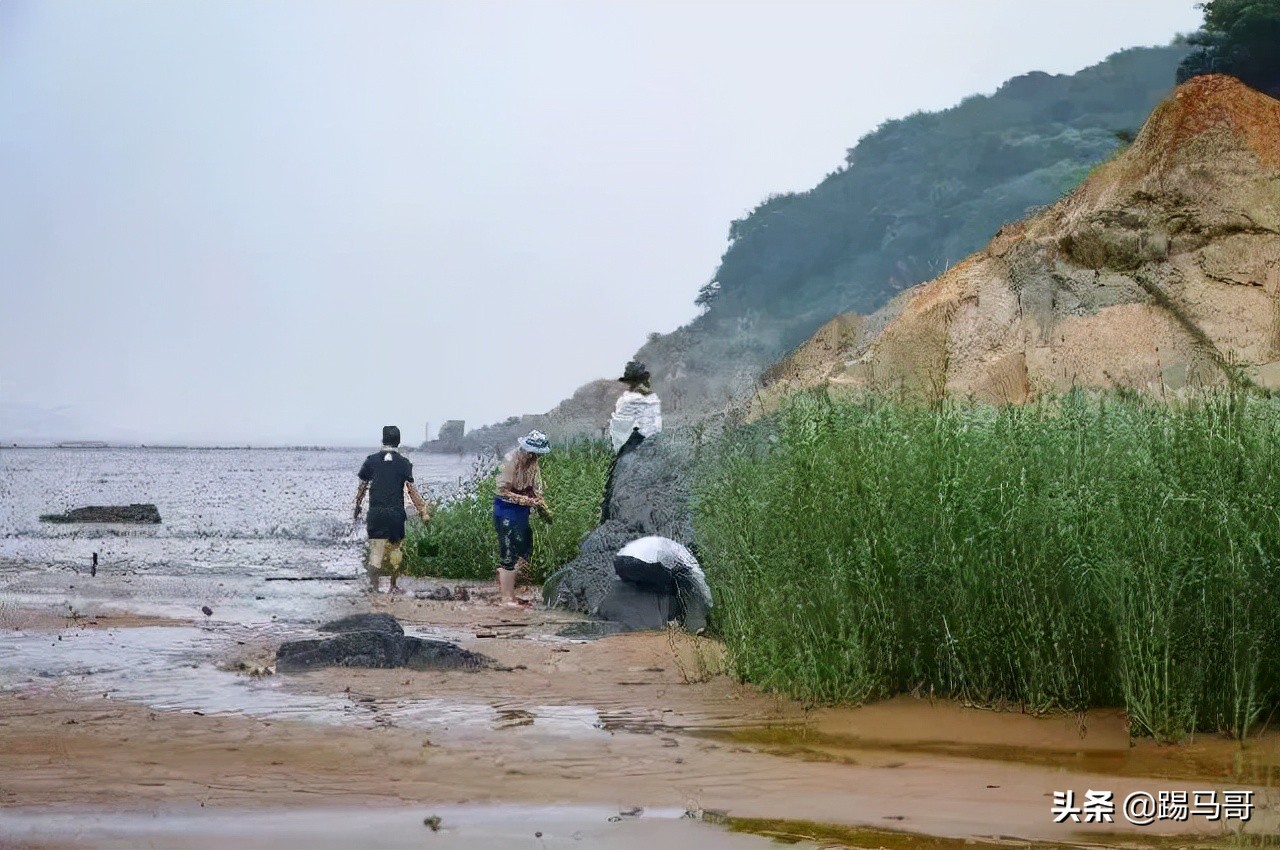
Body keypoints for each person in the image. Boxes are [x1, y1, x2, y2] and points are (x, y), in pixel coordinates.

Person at [353, 425, 430, 593]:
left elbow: (362, 488)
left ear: (382, 440)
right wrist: (422, 510)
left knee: (376, 550)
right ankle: (393, 586)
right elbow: (411, 490)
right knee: (396, 549)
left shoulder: (371, 460)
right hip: (395, 514)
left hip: (376, 513)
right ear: (398, 442)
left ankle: (374, 588)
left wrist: (357, 507)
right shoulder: (404, 463)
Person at [492, 430, 553, 606]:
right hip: (505, 509)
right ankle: (506, 597)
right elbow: (501, 490)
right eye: (533, 453)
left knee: (525, 548)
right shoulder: (510, 460)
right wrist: (526, 500)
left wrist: (541, 504)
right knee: (508, 551)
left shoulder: (533, 463)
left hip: (523, 511)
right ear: (527, 450)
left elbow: (536, 487)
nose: (535, 458)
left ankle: (508, 587)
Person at [608, 360, 662, 453]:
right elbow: (653, 427)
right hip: (643, 441)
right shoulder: (649, 398)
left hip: (631, 443)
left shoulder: (626, 399)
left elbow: (619, 428)